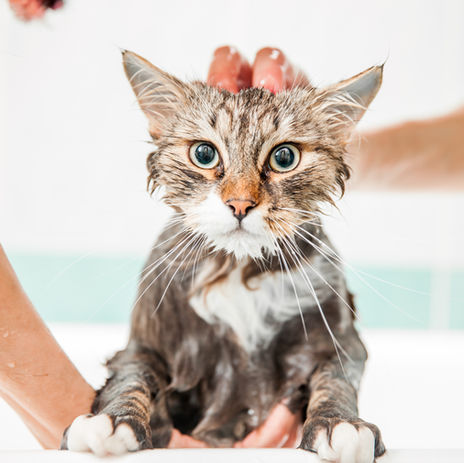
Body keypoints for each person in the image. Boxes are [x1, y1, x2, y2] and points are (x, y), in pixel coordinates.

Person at [1, 45, 463, 451]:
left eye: (284, 157)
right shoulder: (167, 266)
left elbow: (338, 353)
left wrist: (321, 137)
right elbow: (147, 353)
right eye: (205, 154)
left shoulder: (315, 265)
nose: (240, 198)